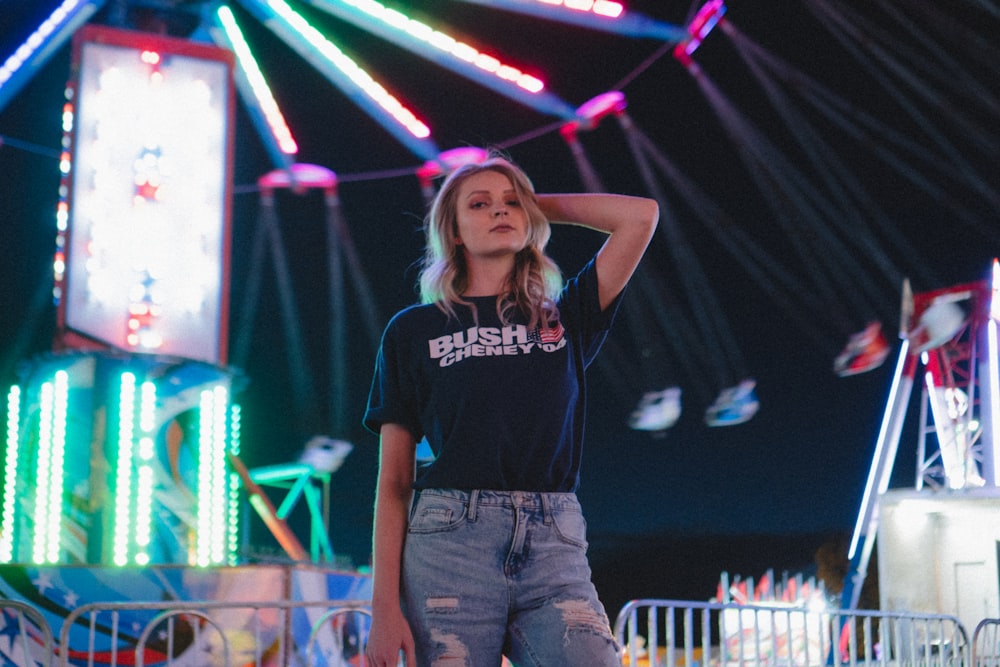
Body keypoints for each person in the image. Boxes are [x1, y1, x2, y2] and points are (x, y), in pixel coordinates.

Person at [363, 151, 658, 666]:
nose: (500, 212)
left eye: (510, 204)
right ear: (452, 231)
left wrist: (532, 207)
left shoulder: (569, 316)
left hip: (554, 542)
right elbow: (393, 482)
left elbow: (640, 216)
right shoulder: (412, 331)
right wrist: (384, 608)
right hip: (448, 543)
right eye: (479, 205)